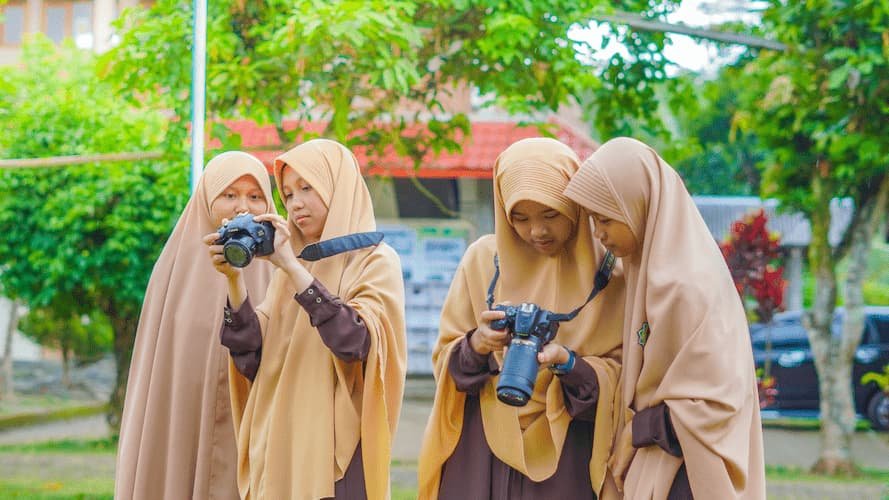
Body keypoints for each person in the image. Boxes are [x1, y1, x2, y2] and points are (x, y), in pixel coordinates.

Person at [418, 138, 626, 499]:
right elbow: (446, 364)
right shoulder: (483, 260)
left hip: (569, 453)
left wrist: (568, 364)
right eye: (520, 217)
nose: (537, 232)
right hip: (481, 445)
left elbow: (624, 380)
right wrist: (477, 344)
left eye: (551, 214)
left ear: (576, 206)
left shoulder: (610, 271)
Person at [563, 137, 766, 499]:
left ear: (639, 207)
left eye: (606, 218)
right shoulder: (649, 273)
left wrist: (639, 428)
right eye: (594, 220)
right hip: (664, 460)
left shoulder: (684, 286)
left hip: (689, 473)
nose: (599, 234)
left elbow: (714, 403)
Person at [207, 139, 406, 499]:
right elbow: (251, 358)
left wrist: (292, 269)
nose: (295, 203)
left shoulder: (375, 260)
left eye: (306, 188)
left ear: (337, 186)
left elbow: (356, 344)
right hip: (279, 444)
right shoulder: (292, 267)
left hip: (335, 455)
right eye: (287, 193)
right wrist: (234, 281)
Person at [116, 151, 275, 500]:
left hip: (251, 418)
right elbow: (160, 365)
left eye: (254, 195)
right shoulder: (173, 269)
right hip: (182, 415)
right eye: (229, 195)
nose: (242, 207)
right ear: (206, 199)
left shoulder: (281, 270)